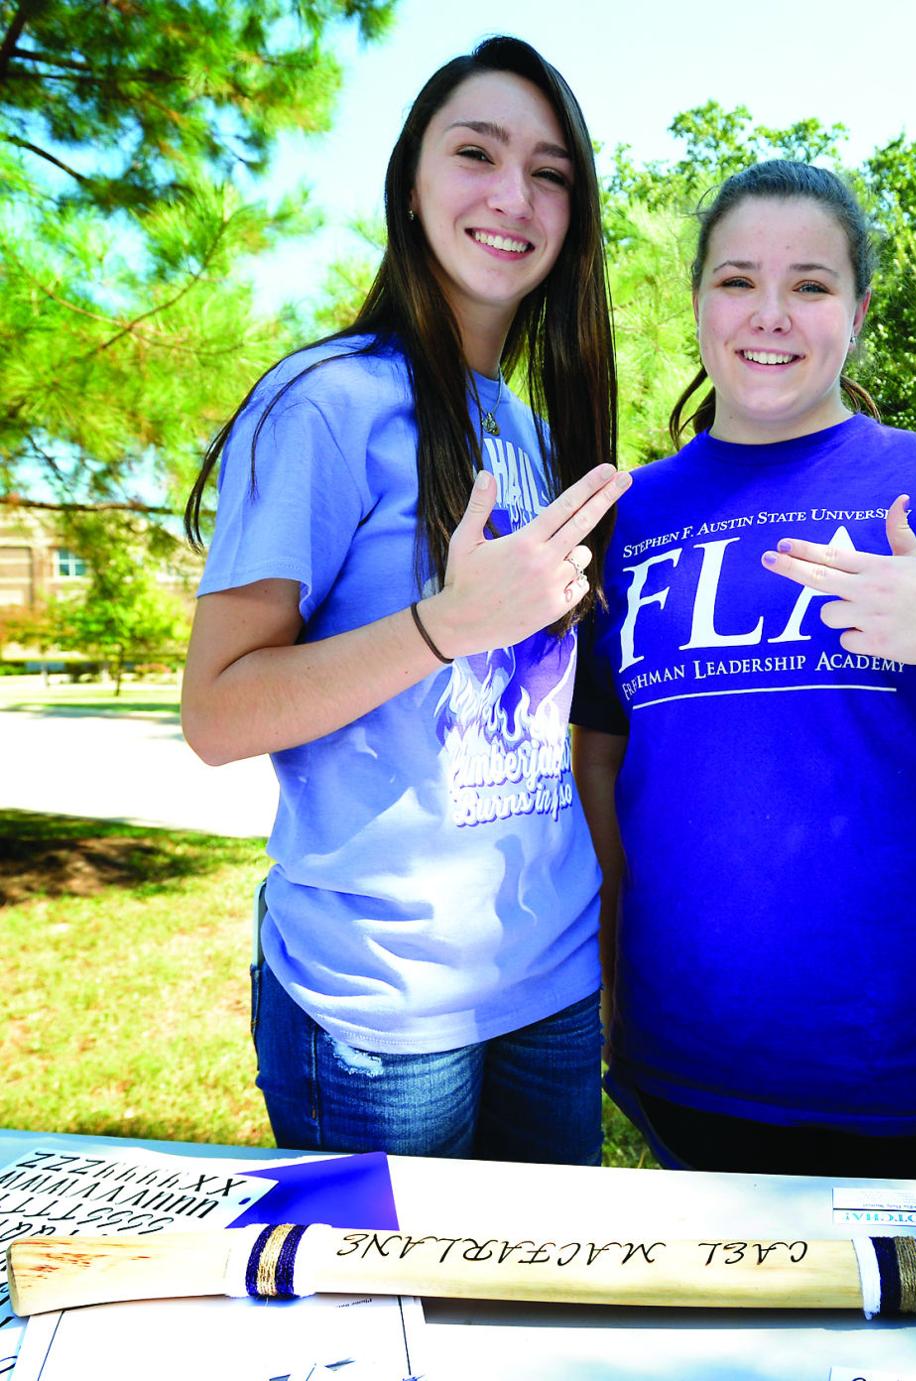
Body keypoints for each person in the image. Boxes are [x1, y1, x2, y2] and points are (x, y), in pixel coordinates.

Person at [572, 161, 916, 1181]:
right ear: (697, 298)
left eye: (812, 285)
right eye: (737, 280)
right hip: (696, 1064)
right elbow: (601, 760)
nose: (769, 314)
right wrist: (612, 975)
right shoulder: (628, 515)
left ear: (860, 309)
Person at [180, 37, 630, 1164]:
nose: (512, 196)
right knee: (402, 1346)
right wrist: (444, 626)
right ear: (412, 183)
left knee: (542, 1345)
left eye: (550, 173)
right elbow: (217, 712)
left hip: (551, 991)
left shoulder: (530, 428)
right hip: (379, 1018)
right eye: (475, 152)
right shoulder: (326, 403)